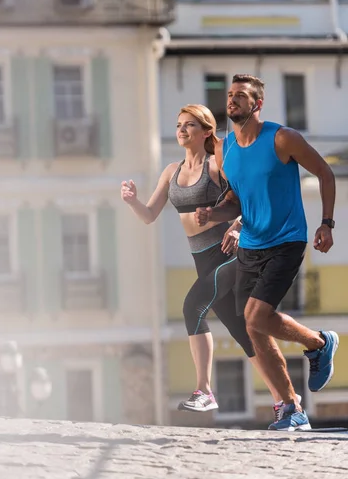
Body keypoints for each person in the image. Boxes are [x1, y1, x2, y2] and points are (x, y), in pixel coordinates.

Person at [195, 74, 338, 431]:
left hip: (286, 241)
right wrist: (216, 214)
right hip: (252, 246)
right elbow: (237, 200)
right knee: (253, 327)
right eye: (230, 95)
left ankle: (319, 342)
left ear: (257, 104)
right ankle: (292, 409)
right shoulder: (225, 149)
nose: (232, 101)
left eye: (241, 96)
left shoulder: (282, 138)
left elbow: (324, 173)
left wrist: (326, 223)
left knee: (256, 316)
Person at [121, 104, 282, 415]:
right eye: (179, 124)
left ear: (207, 131)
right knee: (242, 330)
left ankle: (204, 390)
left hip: (231, 253)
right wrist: (132, 202)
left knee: (192, 306)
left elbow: (255, 198)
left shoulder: (217, 165)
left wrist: (237, 228)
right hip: (202, 258)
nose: (182, 130)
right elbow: (149, 216)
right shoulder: (172, 171)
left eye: (190, 125)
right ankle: (286, 401)